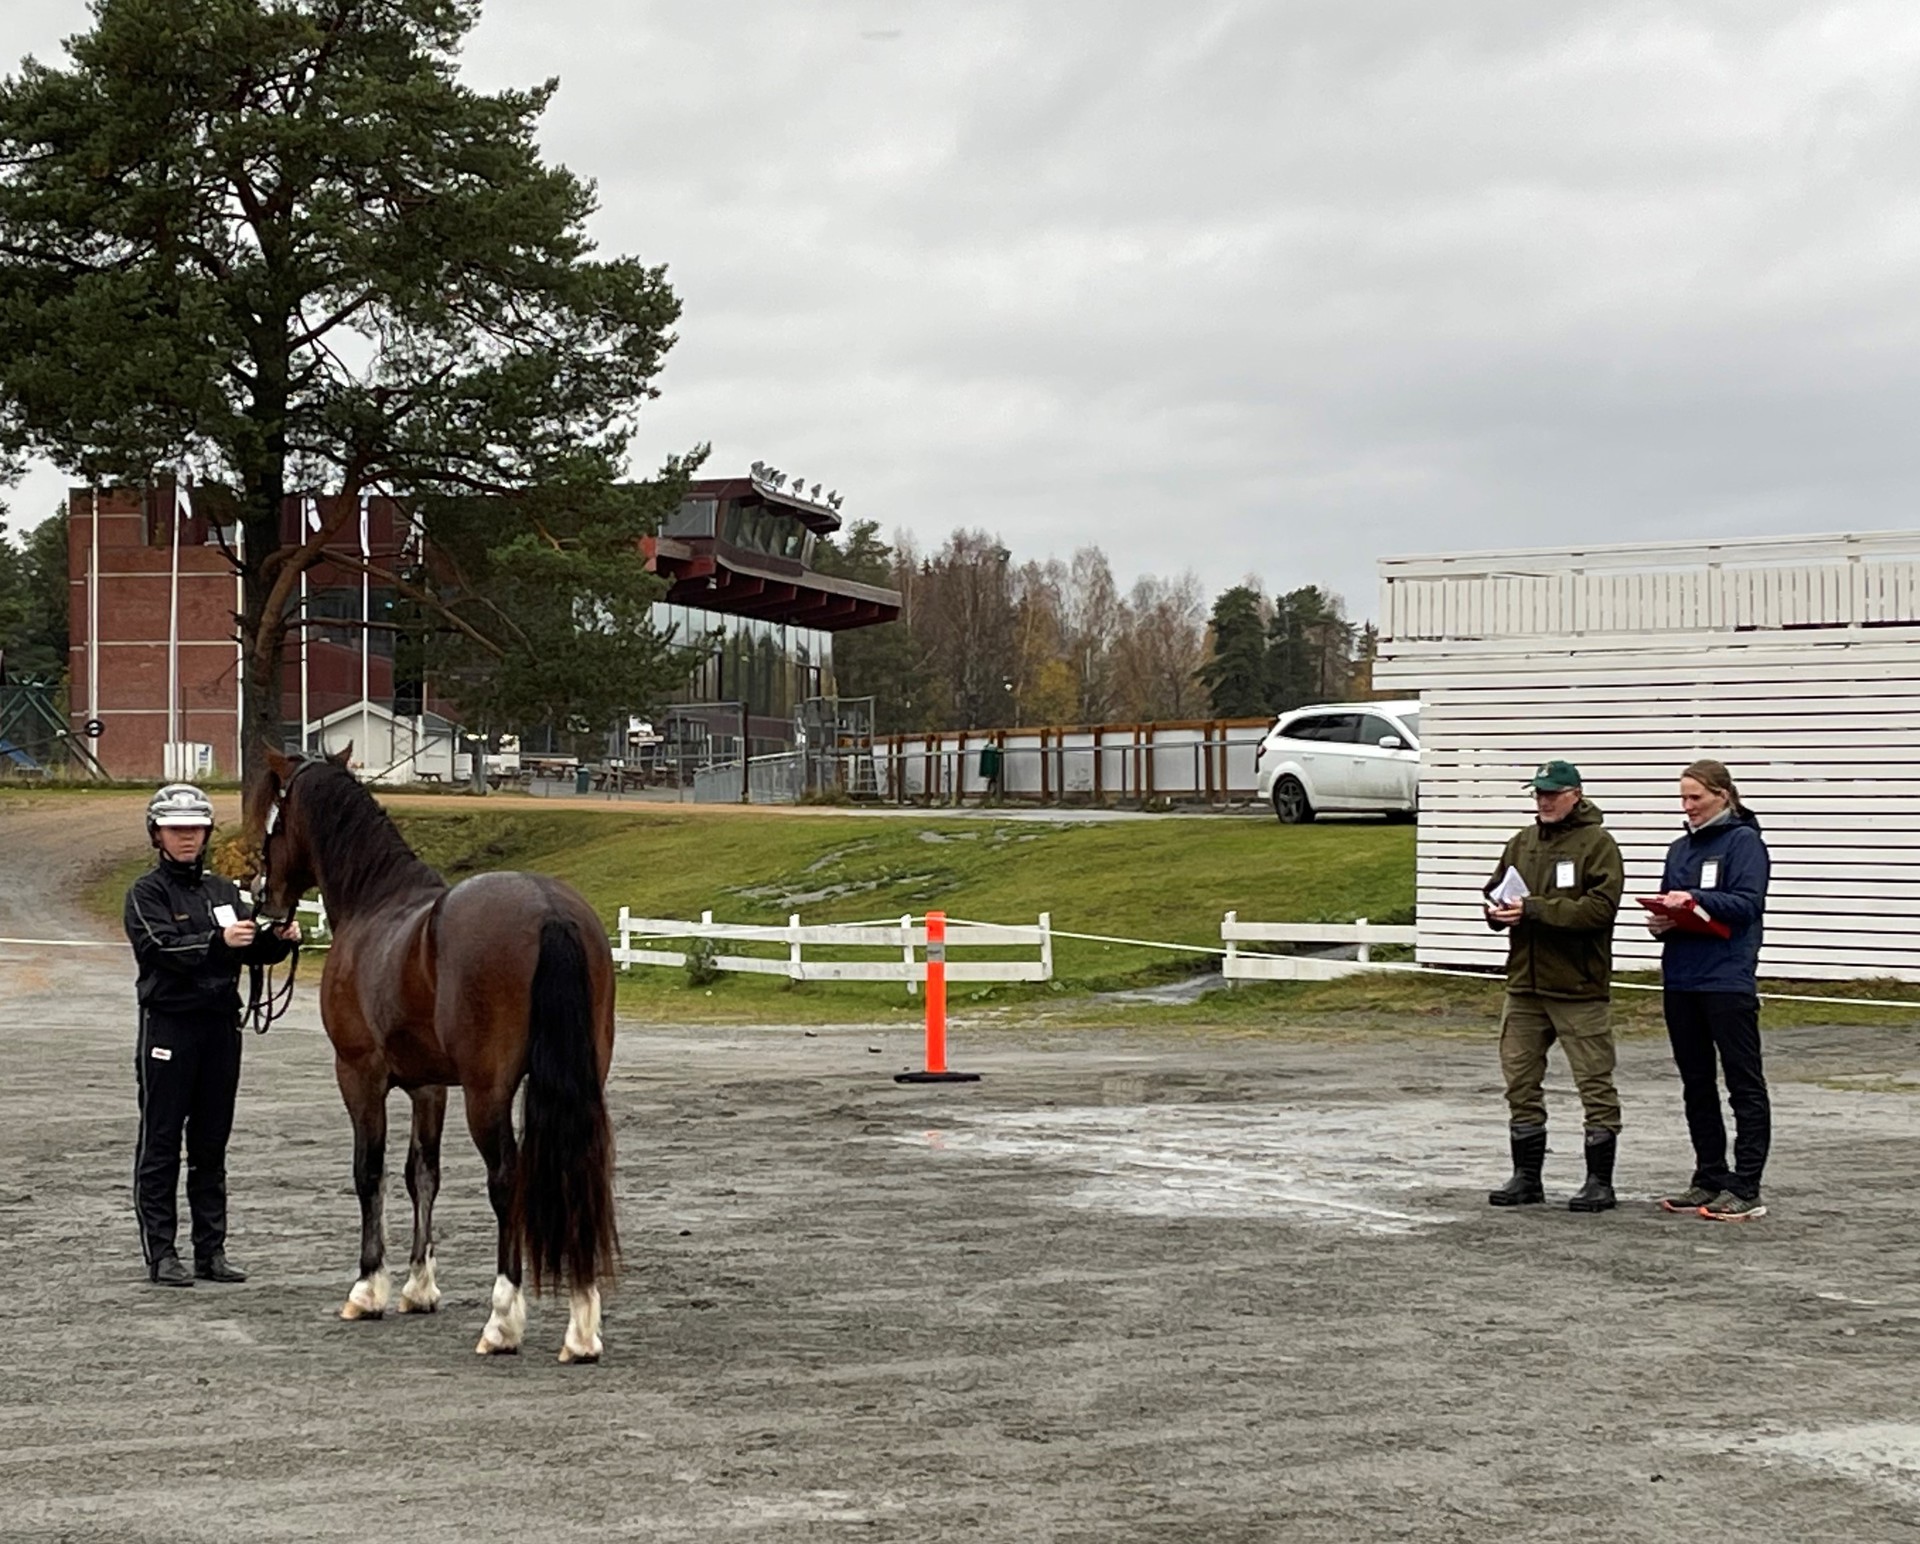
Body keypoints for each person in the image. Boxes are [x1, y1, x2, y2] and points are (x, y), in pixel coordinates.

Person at [124, 783, 300, 1287]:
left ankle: (211, 1251)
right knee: (160, 1142)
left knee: (210, 1144)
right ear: (156, 834)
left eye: (196, 829)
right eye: (177, 829)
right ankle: (162, 1253)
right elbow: (159, 948)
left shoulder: (224, 892)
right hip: (170, 1027)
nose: (187, 838)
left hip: (221, 1027)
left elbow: (244, 951)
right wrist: (218, 941)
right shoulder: (146, 894)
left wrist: (274, 941)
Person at [1482, 760, 1626, 1212]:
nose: (1543, 801)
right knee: (1520, 1081)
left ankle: (1599, 1181)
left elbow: (1600, 910)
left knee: (1594, 1084)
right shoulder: (1520, 843)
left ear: (1575, 795)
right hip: (1525, 984)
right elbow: (1495, 890)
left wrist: (1535, 910)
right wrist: (1496, 912)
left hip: (1578, 987)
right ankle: (1527, 1176)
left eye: (1552, 793)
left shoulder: (1598, 845)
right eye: (1538, 793)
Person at [1646, 759, 1772, 1222]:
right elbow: (1671, 901)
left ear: (1723, 794)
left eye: (1695, 797)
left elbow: (1747, 903)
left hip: (1727, 978)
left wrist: (1696, 900)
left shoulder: (1745, 843)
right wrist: (1661, 920)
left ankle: (1747, 1186)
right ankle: (1709, 1175)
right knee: (1696, 1084)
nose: (1688, 806)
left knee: (1743, 1083)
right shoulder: (1679, 848)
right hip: (1681, 978)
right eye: (1683, 798)